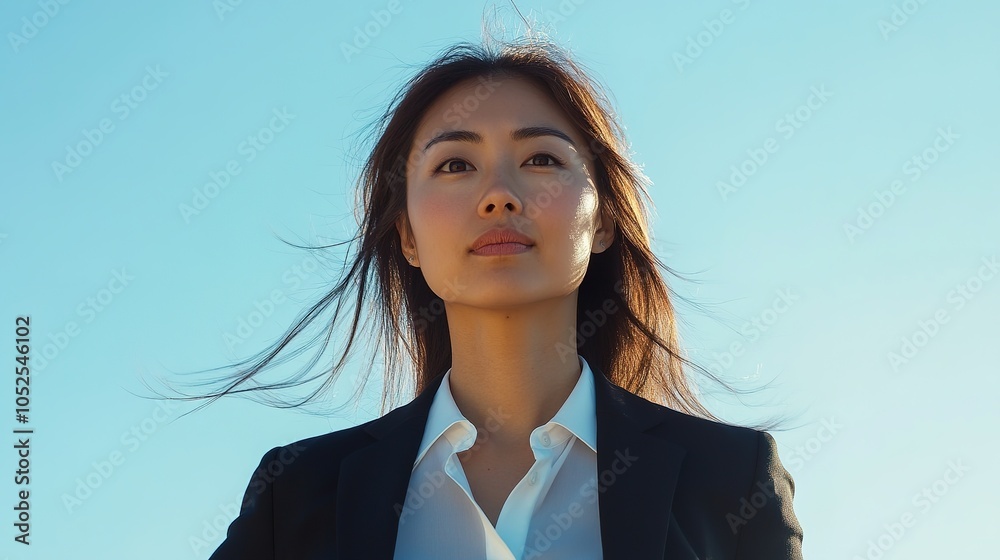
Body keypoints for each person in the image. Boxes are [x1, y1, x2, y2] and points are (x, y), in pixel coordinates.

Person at [203, 36, 804, 559]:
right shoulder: (298, 494)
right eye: (454, 164)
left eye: (541, 158)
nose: (499, 195)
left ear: (602, 221)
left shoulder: (731, 478)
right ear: (408, 235)